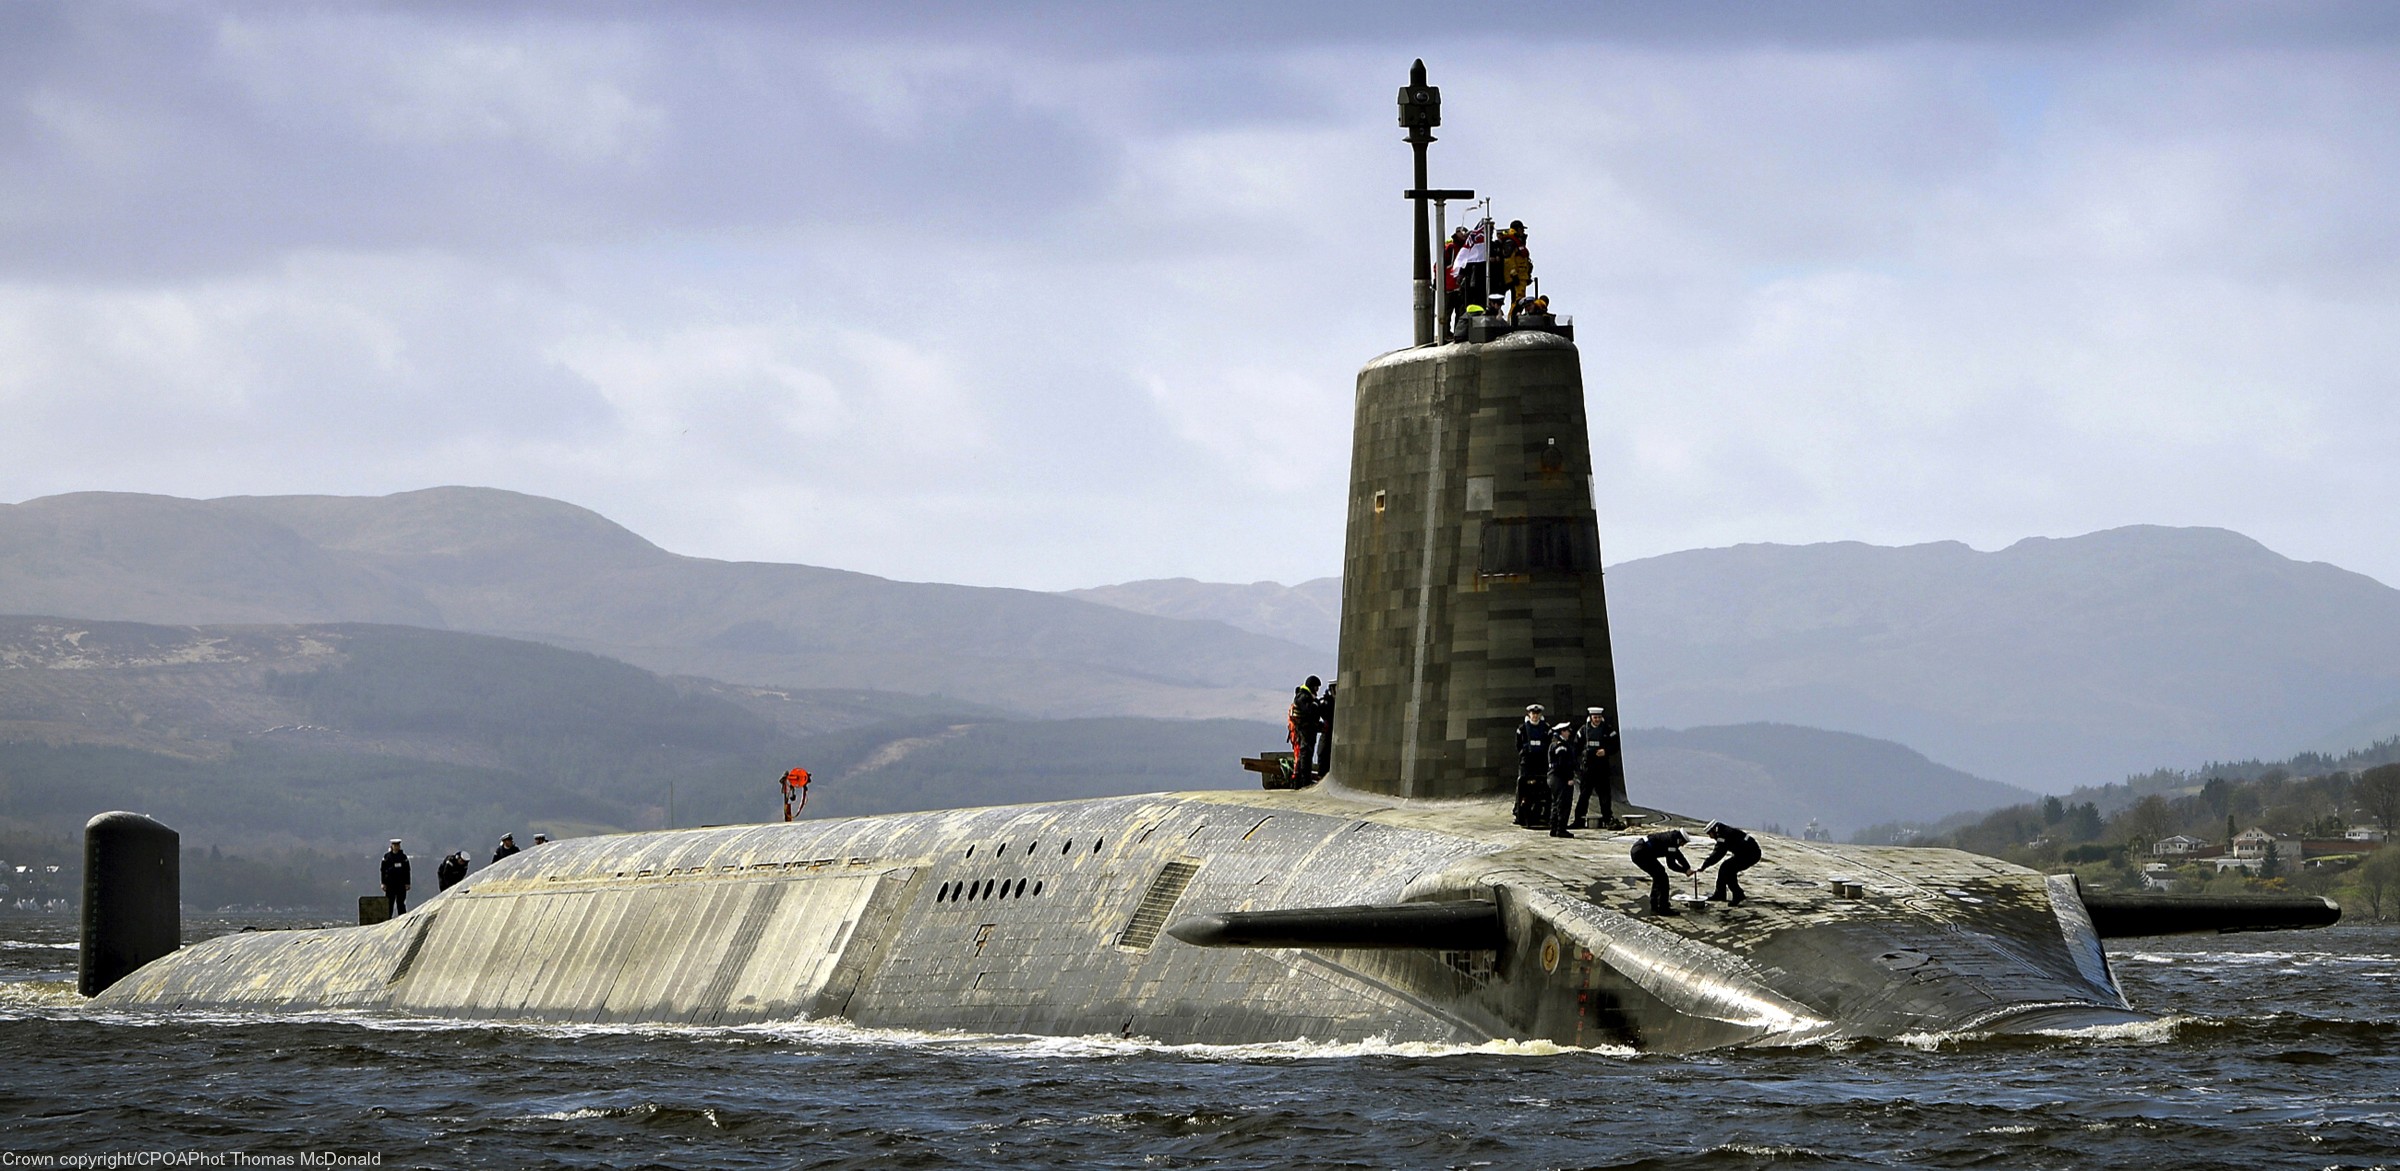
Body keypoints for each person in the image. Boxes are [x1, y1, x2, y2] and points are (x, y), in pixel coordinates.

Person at [1696, 821, 1763, 906]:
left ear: (1713, 830)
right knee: (1725, 867)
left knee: (1728, 870)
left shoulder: (1723, 835)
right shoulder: (1723, 831)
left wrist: (1705, 865)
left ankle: (1737, 894)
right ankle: (1720, 893)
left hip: (1750, 855)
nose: (1710, 837)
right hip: (1746, 853)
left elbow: (1718, 853)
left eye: (1709, 834)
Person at [1575, 707, 1621, 829]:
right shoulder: (1583, 731)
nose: (1597, 720)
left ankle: (1607, 818)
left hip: (1602, 768)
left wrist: (1606, 751)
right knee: (1584, 795)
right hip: (1588, 769)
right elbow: (1576, 747)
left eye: (1599, 717)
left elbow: (1616, 745)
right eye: (1595, 718)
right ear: (1591, 717)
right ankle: (1578, 820)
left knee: (1605, 795)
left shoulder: (1607, 730)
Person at [1630, 828, 1692, 916]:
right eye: (1683, 843)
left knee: (1658, 875)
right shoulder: (1672, 841)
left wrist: (1687, 867)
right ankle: (1663, 908)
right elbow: (1671, 865)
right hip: (1641, 853)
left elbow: (1678, 854)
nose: (1682, 845)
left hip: (1641, 850)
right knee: (1662, 878)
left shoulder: (1672, 838)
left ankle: (1656, 903)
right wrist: (1684, 871)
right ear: (1680, 839)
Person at [1512, 704, 1551, 826]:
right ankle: (1519, 812)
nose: (1535, 716)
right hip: (1527, 762)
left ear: (1540, 714)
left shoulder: (1546, 728)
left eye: (1537, 714)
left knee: (1542, 787)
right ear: (1529, 714)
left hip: (1541, 762)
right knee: (1522, 787)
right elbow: (1518, 745)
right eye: (1533, 714)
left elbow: (1549, 743)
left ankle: (1541, 813)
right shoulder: (1522, 729)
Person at [1288, 677, 1326, 785]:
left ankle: (1304, 778)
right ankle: (1304, 780)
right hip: (1305, 730)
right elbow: (1310, 712)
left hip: (1309, 729)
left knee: (1307, 753)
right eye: (1316, 687)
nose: (1317, 690)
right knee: (1305, 754)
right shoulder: (1303, 697)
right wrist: (1317, 705)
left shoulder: (1307, 697)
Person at [1546, 723, 1579, 838]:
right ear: (1562, 732)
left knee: (1556, 804)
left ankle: (1554, 828)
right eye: (1567, 731)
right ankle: (1561, 829)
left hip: (1553, 777)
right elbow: (1563, 765)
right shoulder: (1561, 746)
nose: (1569, 733)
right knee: (1563, 804)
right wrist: (1569, 778)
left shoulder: (1554, 743)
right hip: (1560, 778)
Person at [1497, 219, 1533, 314]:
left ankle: (1514, 318)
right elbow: (1508, 259)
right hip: (1517, 276)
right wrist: (1513, 274)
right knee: (1518, 301)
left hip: (1522, 275)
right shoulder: (1511, 241)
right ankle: (1513, 320)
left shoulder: (1518, 241)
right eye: (1522, 229)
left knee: (1520, 300)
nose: (1523, 232)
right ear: (1518, 229)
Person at [1311, 680, 1336, 779]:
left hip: (1333, 732)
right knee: (1323, 753)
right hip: (1328, 732)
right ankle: (1322, 775)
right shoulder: (1326, 702)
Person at [380, 839, 411, 915]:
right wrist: (383, 883)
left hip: (401, 884)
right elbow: (383, 870)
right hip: (390, 884)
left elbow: (407, 870)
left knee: (401, 903)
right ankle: (387, 919)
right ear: (392, 846)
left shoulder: (403, 857)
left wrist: (408, 883)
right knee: (389, 904)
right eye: (395, 845)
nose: (396, 847)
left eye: (397, 845)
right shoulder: (387, 857)